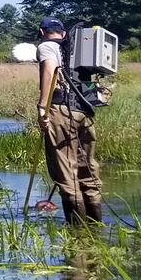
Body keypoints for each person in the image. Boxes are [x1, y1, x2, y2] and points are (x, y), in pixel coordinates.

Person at [36, 17, 102, 224]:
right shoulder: (77, 51)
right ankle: (96, 228)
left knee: (67, 175)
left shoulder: (46, 46)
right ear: (63, 34)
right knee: (88, 172)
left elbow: (50, 70)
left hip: (61, 111)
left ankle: (78, 234)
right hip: (85, 113)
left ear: (41, 31)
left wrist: (42, 107)